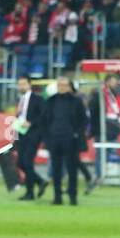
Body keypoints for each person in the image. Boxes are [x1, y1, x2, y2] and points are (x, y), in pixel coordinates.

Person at [40, 75, 88, 206]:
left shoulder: (76, 101)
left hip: (71, 140)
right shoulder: (50, 101)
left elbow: (83, 120)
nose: (62, 88)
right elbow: (44, 121)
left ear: (69, 87)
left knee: (72, 170)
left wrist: (77, 134)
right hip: (54, 139)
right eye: (59, 85)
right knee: (55, 170)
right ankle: (57, 197)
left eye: (64, 85)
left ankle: (73, 197)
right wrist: (47, 138)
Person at [13, 76, 47, 200]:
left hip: (34, 134)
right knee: (20, 162)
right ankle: (40, 181)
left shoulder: (37, 99)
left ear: (29, 85)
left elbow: (43, 115)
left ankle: (30, 192)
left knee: (27, 162)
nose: (21, 86)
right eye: (19, 84)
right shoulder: (20, 100)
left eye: (23, 84)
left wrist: (31, 122)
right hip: (22, 133)